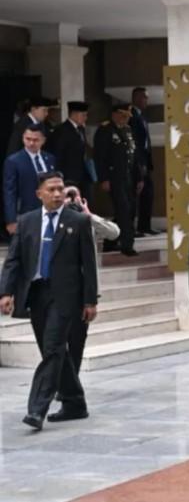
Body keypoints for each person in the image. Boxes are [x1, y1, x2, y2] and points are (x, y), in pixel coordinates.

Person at [0, 171, 98, 431]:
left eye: (60, 189)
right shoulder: (27, 221)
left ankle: (36, 409)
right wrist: (6, 292)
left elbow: (89, 265)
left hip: (66, 296)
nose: (57, 194)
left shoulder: (77, 221)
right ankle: (75, 402)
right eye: (51, 190)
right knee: (53, 351)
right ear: (39, 194)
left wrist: (90, 301)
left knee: (54, 346)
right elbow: (14, 260)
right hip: (37, 294)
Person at [60, 184, 120, 375]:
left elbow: (114, 232)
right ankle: (61, 382)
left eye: (74, 195)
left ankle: (71, 383)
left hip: (84, 291)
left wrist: (89, 215)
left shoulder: (86, 221)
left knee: (77, 341)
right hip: (60, 290)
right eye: (67, 195)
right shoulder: (53, 221)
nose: (71, 200)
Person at [94, 102, 140, 256]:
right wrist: (103, 178)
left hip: (128, 177)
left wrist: (139, 178)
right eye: (122, 115)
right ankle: (127, 245)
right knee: (124, 209)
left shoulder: (127, 130)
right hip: (114, 177)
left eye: (127, 116)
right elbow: (100, 157)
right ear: (114, 114)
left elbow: (133, 156)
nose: (125, 119)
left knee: (129, 209)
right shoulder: (105, 130)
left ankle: (110, 239)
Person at [3, 124, 56, 236]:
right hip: (26, 214)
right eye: (28, 139)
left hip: (50, 211)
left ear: (43, 140)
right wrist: (11, 219)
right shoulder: (14, 161)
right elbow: (9, 192)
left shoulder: (50, 159)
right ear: (23, 138)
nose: (31, 143)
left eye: (36, 140)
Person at [129, 87, 157, 236]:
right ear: (136, 98)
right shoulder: (131, 116)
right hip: (137, 164)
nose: (147, 100)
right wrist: (139, 164)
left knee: (148, 194)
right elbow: (135, 144)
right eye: (144, 97)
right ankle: (131, 228)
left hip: (146, 162)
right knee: (134, 196)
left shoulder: (142, 116)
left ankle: (145, 226)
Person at [50, 101, 93, 199]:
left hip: (82, 176)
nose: (85, 118)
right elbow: (58, 156)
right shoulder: (62, 131)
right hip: (69, 177)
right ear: (74, 114)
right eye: (83, 115)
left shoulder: (80, 129)